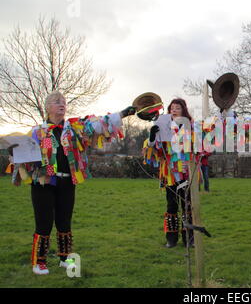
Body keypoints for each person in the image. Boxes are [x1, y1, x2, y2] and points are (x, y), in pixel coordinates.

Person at [6, 91, 135, 275]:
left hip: (67, 181)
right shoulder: (36, 132)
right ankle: (39, 261)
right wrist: (14, 152)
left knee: (64, 221)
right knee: (44, 222)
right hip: (43, 182)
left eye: (64, 102)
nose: (62, 104)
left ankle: (65, 258)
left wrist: (122, 113)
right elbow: (22, 157)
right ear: (48, 107)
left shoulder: (74, 128)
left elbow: (98, 124)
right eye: (57, 102)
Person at [143, 98, 196, 248]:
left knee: (187, 205)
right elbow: (155, 149)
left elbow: (197, 145)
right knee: (171, 205)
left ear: (183, 110)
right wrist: (153, 136)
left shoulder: (190, 126)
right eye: (172, 108)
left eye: (177, 108)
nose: (174, 110)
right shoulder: (163, 126)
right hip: (170, 173)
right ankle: (171, 239)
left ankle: (189, 238)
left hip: (185, 171)